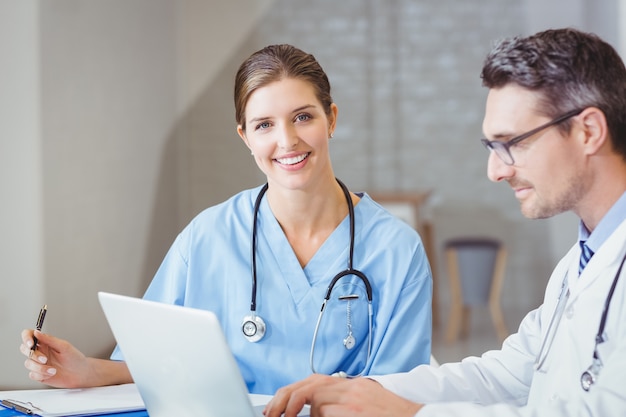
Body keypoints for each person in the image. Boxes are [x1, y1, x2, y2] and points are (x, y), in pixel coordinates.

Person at [20, 44, 433, 395]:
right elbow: (150, 364)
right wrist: (85, 371)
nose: (287, 140)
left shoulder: (396, 249)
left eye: (303, 117)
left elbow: (397, 395)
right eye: (264, 125)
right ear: (245, 137)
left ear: (332, 119)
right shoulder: (207, 237)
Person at [264, 28, 626, 416]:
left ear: (588, 131)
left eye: (513, 143)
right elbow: (504, 375)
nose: (495, 170)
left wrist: (411, 414)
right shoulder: (582, 261)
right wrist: (364, 389)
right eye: (491, 147)